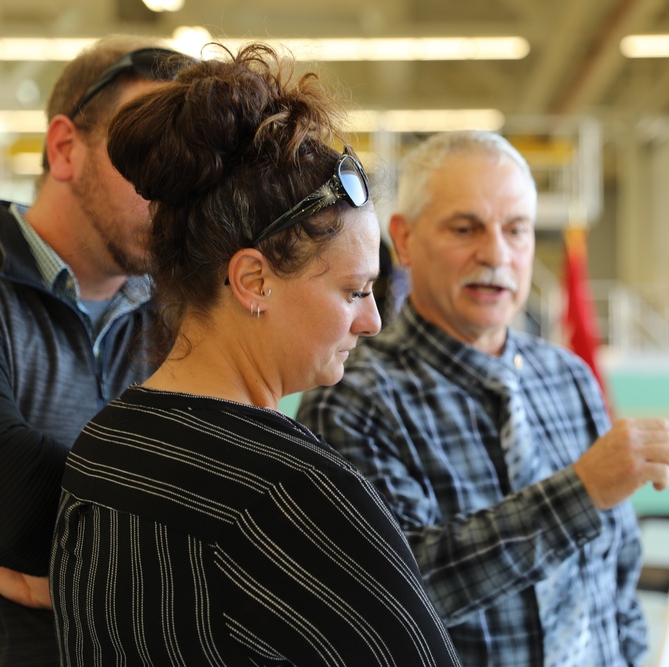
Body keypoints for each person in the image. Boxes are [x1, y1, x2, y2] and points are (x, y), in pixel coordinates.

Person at [49, 44, 461, 666]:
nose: (373, 320)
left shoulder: (105, 449)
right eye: (354, 290)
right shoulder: (297, 492)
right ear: (253, 281)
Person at [298, 130, 669, 666]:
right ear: (406, 239)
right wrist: (581, 492)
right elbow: (400, 597)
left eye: (517, 230)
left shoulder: (570, 379)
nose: (496, 254)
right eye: (466, 228)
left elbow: (617, 576)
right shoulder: (357, 397)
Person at [0, 36, 195, 665]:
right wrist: (195, 552)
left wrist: (91, 579)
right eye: (149, 157)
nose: (176, 194)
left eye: (191, 171)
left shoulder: (182, 315)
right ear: (64, 148)